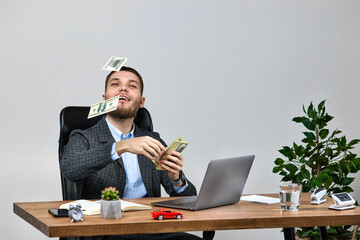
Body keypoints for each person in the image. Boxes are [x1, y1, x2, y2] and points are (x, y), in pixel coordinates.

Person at [60, 66, 203, 240]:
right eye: (115, 84)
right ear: (104, 99)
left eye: (132, 86)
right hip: (106, 232)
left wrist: (177, 179)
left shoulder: (152, 140)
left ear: (141, 102)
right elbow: (69, 168)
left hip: (153, 230)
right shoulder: (83, 137)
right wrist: (122, 146)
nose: (123, 88)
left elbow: (190, 201)